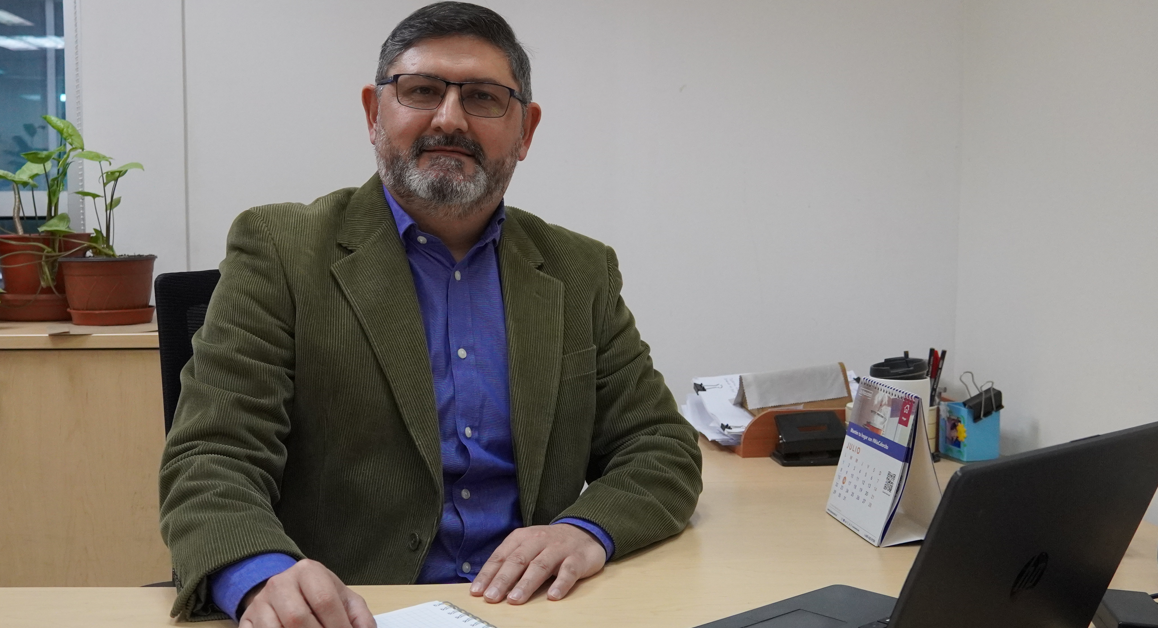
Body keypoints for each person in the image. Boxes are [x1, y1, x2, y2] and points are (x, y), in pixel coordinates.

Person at [159, 3, 703, 626]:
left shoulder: (579, 271)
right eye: (420, 91)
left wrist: (586, 529)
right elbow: (211, 458)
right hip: (350, 612)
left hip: (535, 611)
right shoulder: (280, 249)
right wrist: (261, 575)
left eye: (483, 98)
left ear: (526, 130)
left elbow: (660, 446)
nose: (449, 118)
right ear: (373, 113)